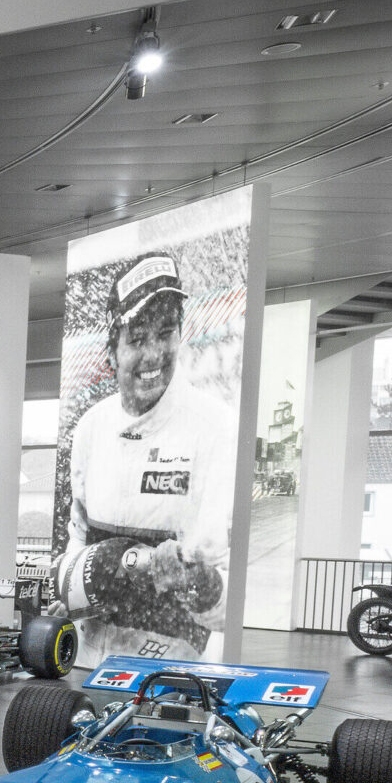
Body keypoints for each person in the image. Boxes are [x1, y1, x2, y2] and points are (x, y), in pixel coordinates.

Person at [54, 252, 241, 659]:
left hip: (172, 672)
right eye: (137, 339)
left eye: (166, 333)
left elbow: (234, 601)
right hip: (86, 661)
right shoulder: (90, 428)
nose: (154, 354)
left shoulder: (217, 429)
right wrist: (69, 594)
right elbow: (78, 541)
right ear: (112, 352)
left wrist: (199, 582)